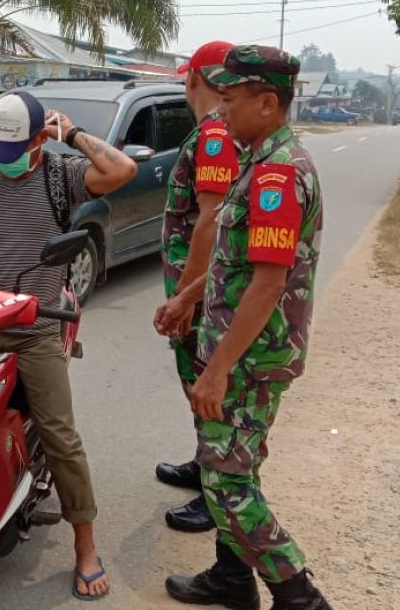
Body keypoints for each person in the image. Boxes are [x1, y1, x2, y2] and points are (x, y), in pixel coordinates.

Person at [0, 91, 138, 600]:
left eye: (14, 148)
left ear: (41, 139)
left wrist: (74, 135)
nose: (2, 160)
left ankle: (85, 545)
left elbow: (122, 171)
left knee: (61, 437)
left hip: (35, 329)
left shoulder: (59, 176)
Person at [165, 45, 332, 610]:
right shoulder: (259, 161)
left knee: (227, 484)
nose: (223, 111)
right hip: (242, 348)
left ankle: (299, 596)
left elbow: (267, 283)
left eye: (232, 101)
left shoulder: (277, 175)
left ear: (267, 103)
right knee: (237, 470)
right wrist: (188, 296)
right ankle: (232, 578)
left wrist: (216, 369)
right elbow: (232, 260)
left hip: (249, 357)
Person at [152, 40, 241, 534]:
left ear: (194, 80)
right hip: (198, 288)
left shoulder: (213, 136)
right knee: (195, 381)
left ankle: (217, 493)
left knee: (204, 385)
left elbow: (209, 220)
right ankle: (203, 464)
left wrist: (186, 297)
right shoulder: (216, 133)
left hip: (201, 292)